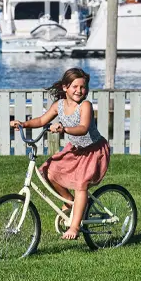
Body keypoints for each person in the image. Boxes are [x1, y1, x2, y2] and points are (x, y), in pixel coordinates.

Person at [10, 68, 109, 240]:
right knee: (49, 170)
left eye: (83, 87)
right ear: (65, 87)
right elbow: (41, 120)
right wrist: (23, 124)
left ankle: (75, 226)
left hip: (93, 151)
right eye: (75, 87)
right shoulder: (59, 106)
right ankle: (68, 200)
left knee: (81, 184)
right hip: (75, 150)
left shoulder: (85, 106)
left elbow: (83, 128)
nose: (79, 90)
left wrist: (64, 129)